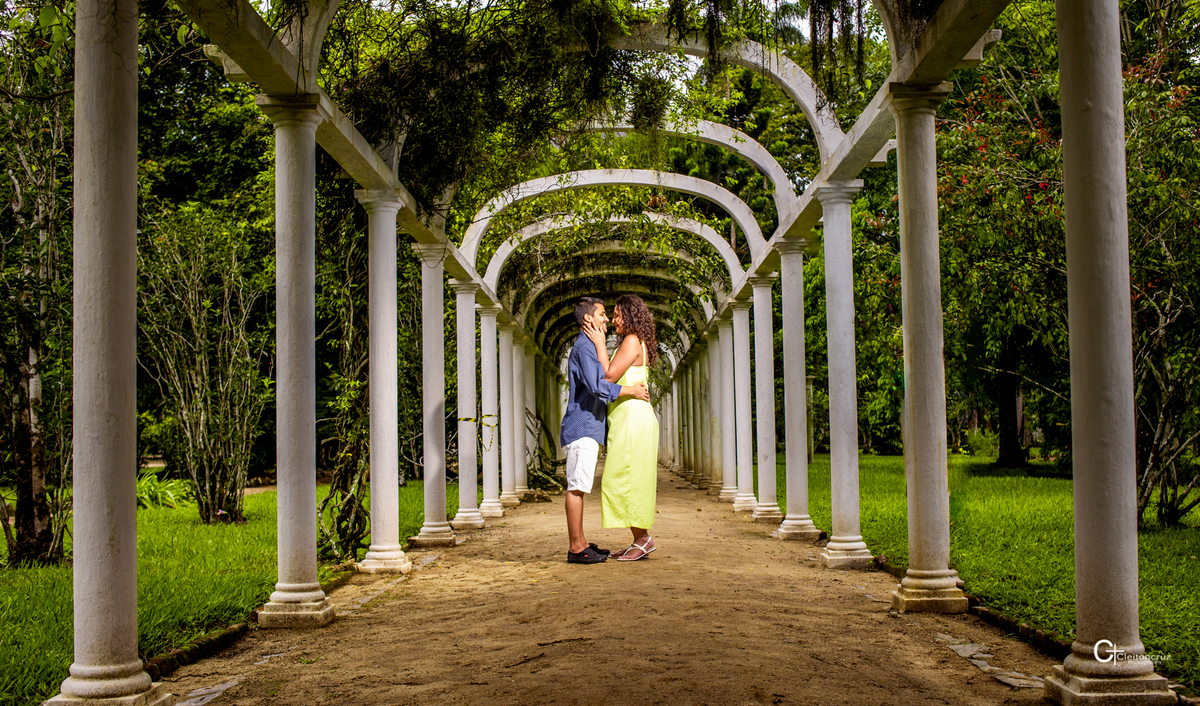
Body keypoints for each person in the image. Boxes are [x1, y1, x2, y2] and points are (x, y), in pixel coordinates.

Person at [560, 297, 650, 564]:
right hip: (582, 426)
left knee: (581, 486)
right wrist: (630, 390)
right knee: (577, 488)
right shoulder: (584, 348)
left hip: (590, 426)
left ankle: (582, 543)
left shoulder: (589, 347)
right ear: (588, 319)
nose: (607, 319)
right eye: (602, 314)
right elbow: (599, 385)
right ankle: (576, 548)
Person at [582, 294, 660, 561]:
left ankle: (643, 539)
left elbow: (608, 376)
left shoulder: (631, 340)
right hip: (628, 418)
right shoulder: (635, 341)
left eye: (617, 315)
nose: (614, 320)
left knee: (627, 478)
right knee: (626, 478)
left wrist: (600, 342)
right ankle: (639, 538)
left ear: (630, 315)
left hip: (633, 420)